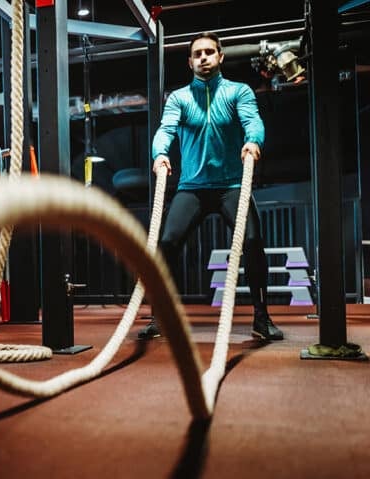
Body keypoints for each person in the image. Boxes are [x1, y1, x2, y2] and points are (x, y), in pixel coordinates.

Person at [138, 32, 284, 341]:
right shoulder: (179, 98)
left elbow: (253, 122)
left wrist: (252, 142)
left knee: (254, 242)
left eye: (209, 52)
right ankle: (162, 316)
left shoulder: (237, 92)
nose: (203, 57)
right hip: (192, 187)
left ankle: (261, 317)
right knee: (166, 245)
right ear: (190, 61)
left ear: (220, 57)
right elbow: (166, 130)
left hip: (231, 185)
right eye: (197, 54)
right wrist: (160, 153)